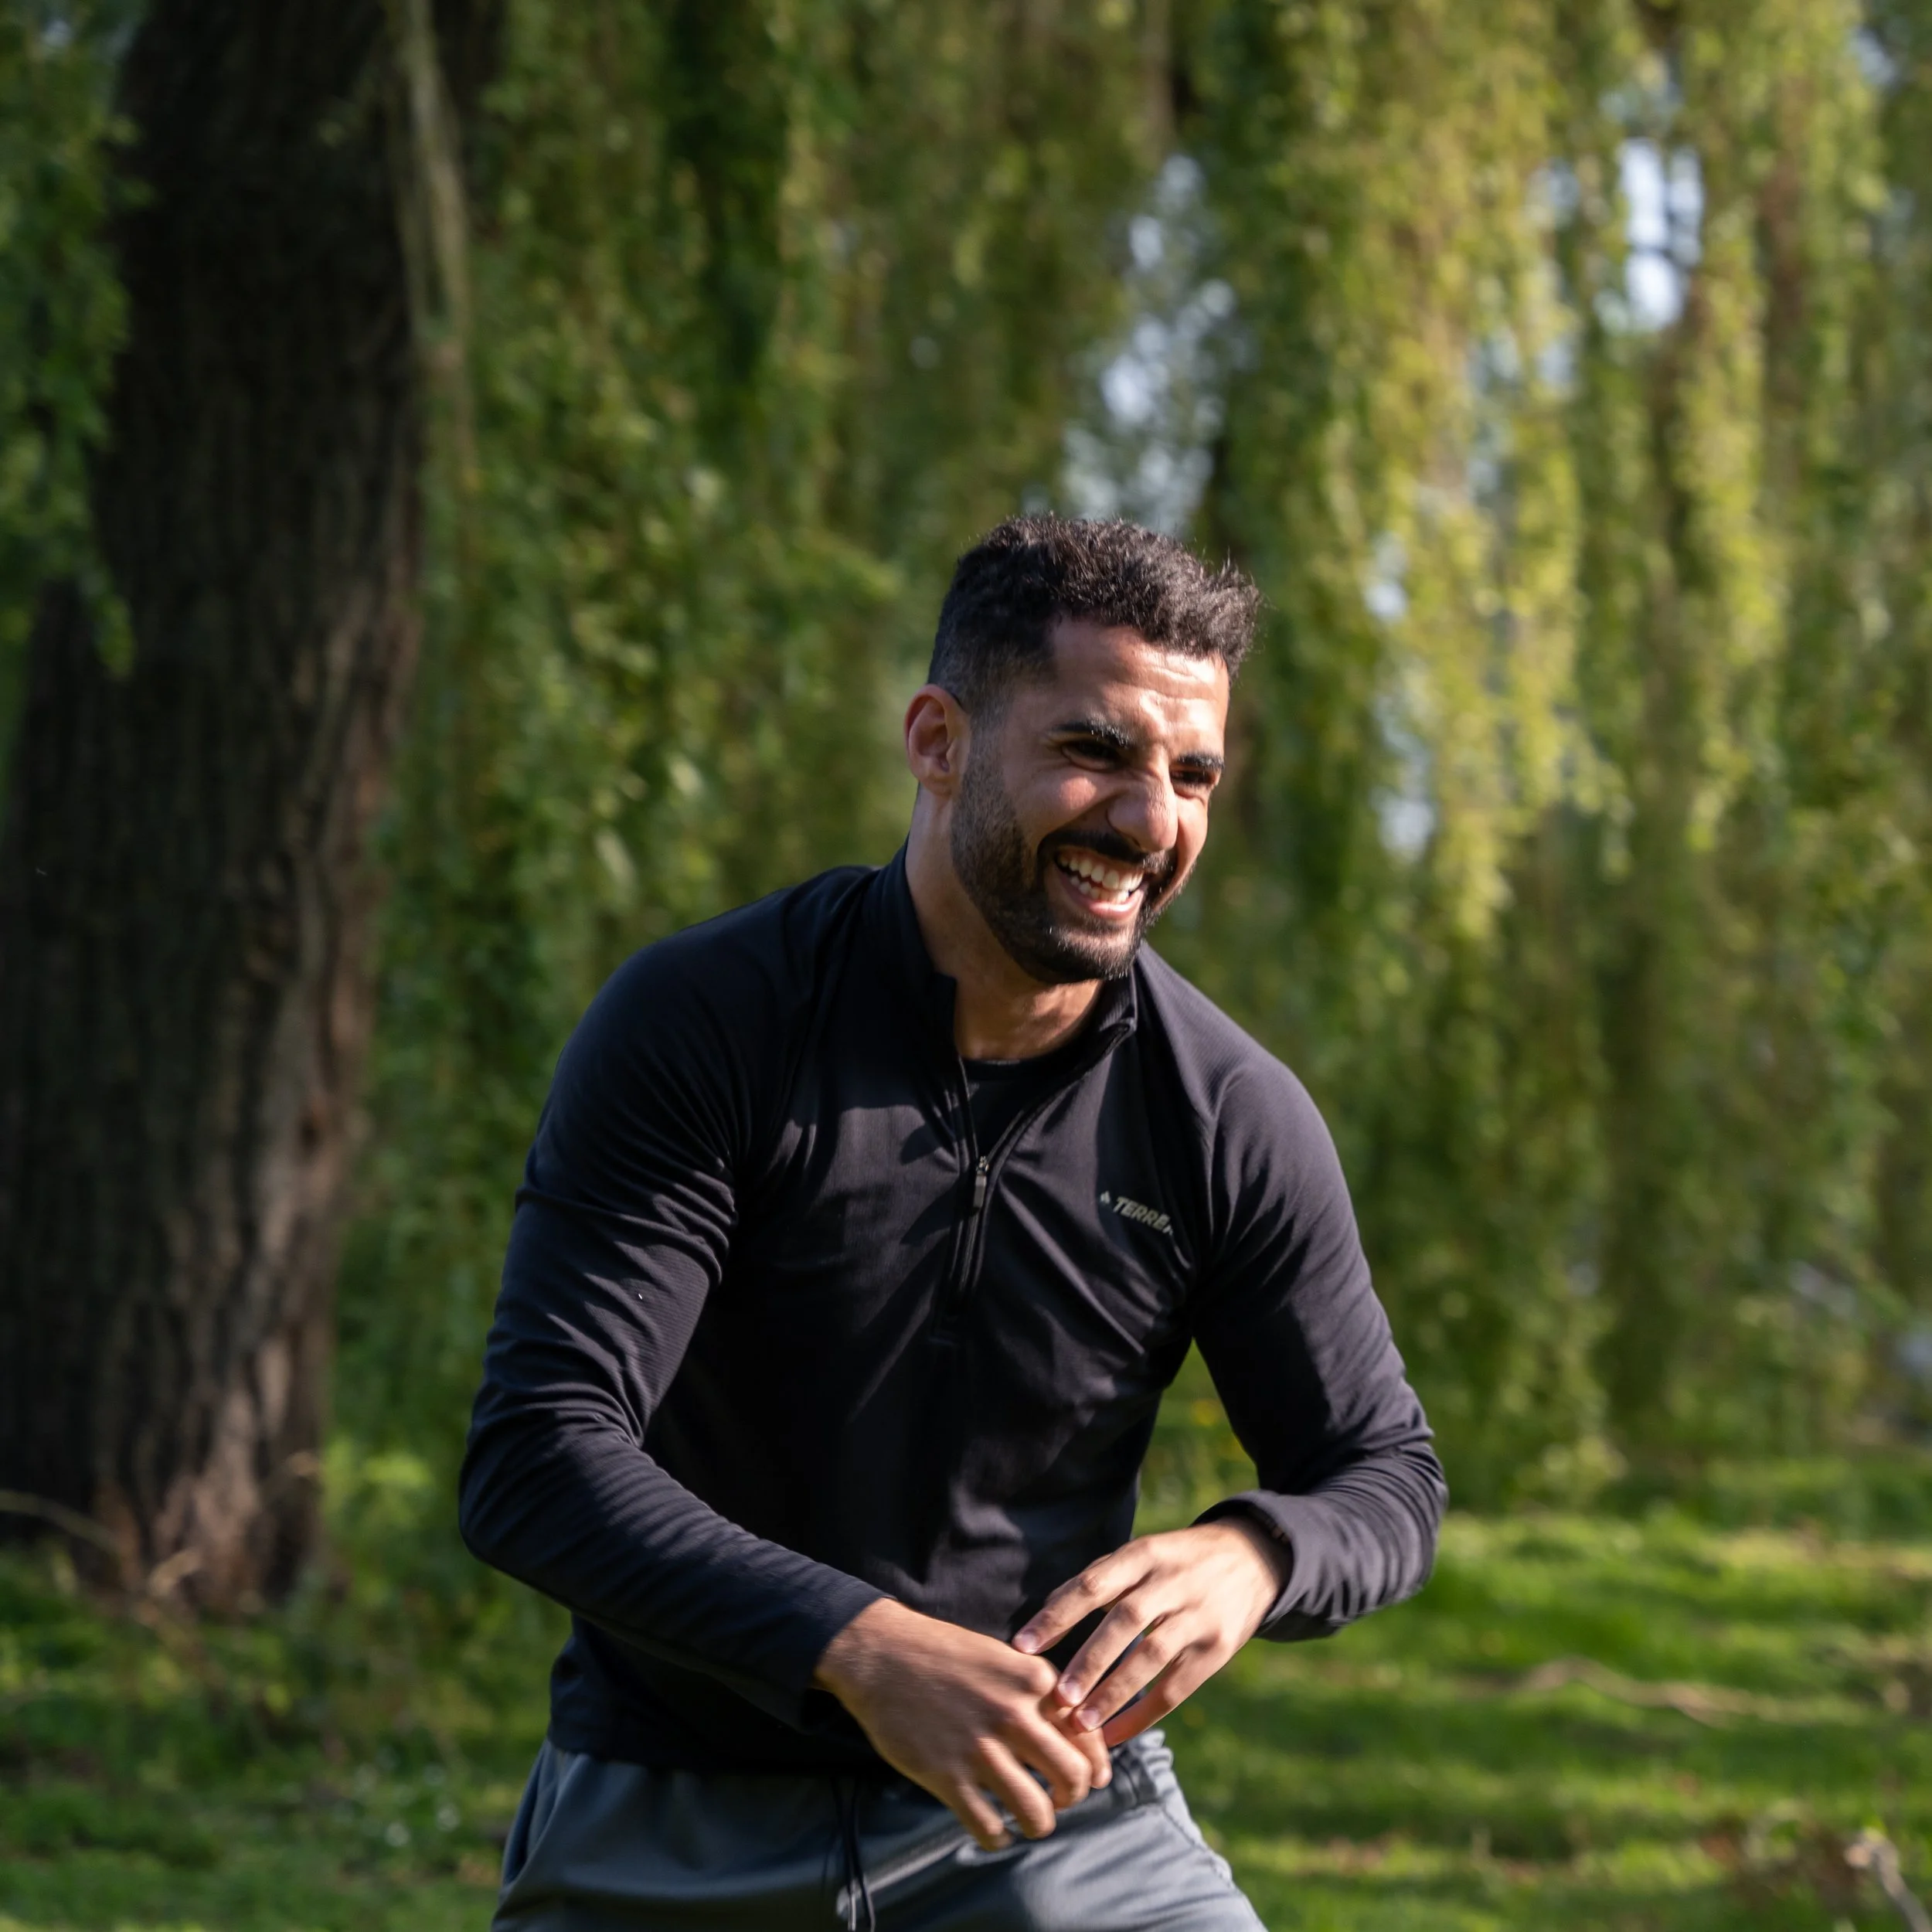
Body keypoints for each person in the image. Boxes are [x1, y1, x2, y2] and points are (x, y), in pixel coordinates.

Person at [459, 515, 1447, 1930]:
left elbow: (1386, 1476)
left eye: (1192, 775)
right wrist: (856, 1648)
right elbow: (538, 1457)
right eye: (1095, 751)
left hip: (1057, 1822)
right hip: (670, 1819)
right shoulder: (708, 1026)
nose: (1151, 822)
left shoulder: (1227, 1112)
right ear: (937, 741)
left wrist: (1259, 1555)